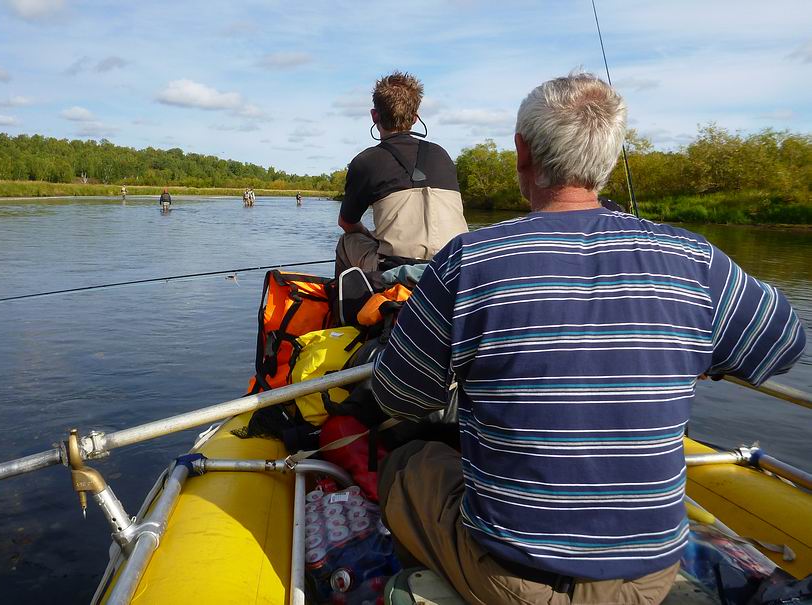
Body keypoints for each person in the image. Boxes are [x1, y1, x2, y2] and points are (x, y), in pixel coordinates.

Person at [372, 72, 806, 605]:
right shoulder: (695, 261)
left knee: (408, 463)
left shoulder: (470, 259)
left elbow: (398, 396)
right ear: (608, 156)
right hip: (649, 580)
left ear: (522, 151)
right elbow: (785, 343)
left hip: (512, 579)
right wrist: (689, 350)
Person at [335, 71, 468, 277]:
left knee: (347, 241)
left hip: (397, 270)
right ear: (415, 118)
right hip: (455, 267)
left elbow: (347, 223)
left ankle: (342, 298)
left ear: (374, 115)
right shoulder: (442, 155)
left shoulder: (366, 161)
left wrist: (371, 237)